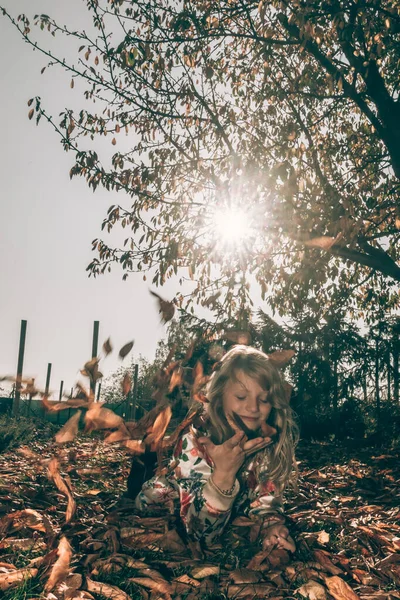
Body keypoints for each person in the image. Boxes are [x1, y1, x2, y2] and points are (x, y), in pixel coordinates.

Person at [134, 345, 299, 552]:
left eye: (264, 400)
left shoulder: (265, 443)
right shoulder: (196, 442)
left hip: (228, 509)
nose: (254, 407)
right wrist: (224, 474)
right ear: (219, 397)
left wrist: (272, 526)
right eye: (241, 396)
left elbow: (264, 501)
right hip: (167, 500)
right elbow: (199, 535)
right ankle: (143, 464)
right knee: (145, 487)